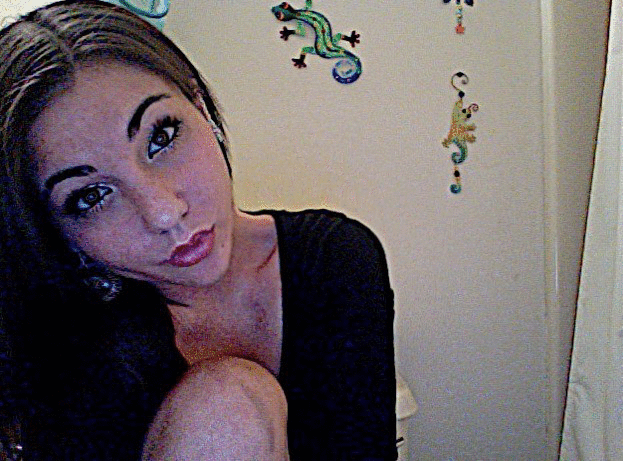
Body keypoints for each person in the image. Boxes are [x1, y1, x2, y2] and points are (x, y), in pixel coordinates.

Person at [0, 1, 397, 460]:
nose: (164, 213)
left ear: (201, 108)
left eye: (161, 137)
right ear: (55, 231)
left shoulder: (335, 260)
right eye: (91, 196)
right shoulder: (63, 339)